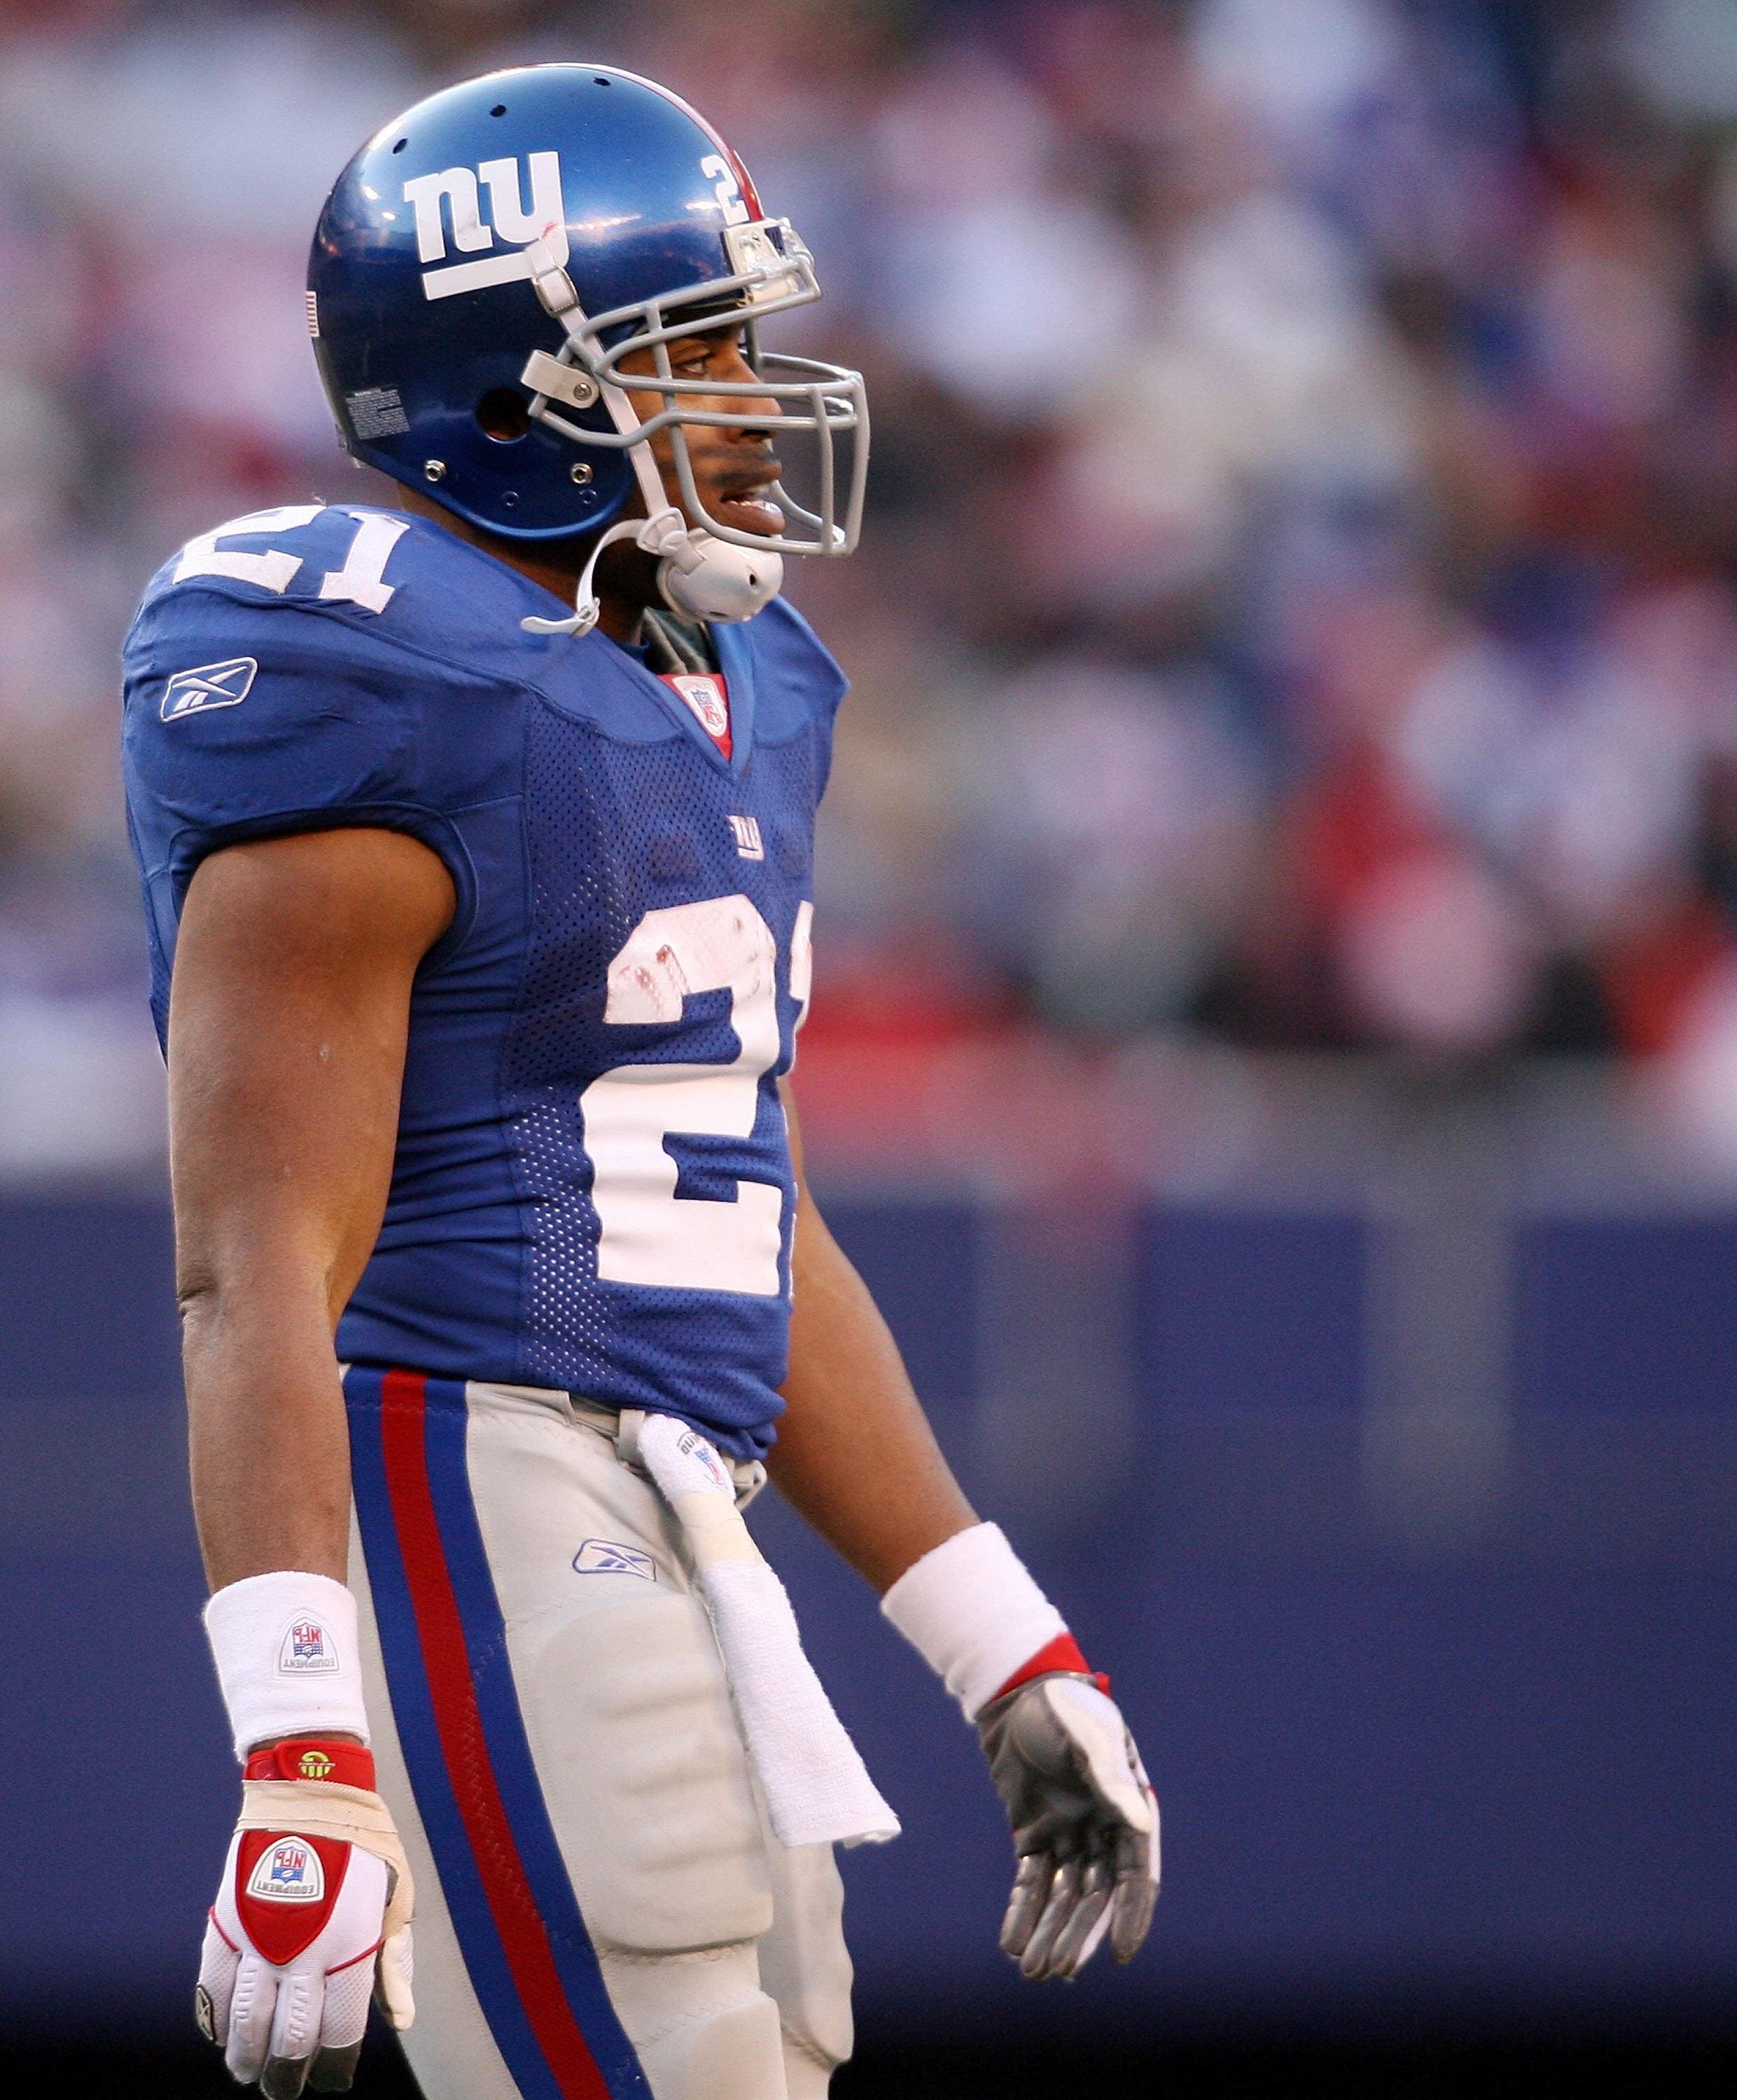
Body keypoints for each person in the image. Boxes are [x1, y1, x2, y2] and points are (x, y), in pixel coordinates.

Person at [120, 64, 1158, 2100]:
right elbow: (252, 1258)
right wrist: (303, 1743)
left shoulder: (731, 676)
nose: (751, 397)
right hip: (468, 1471)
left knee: (767, 2039)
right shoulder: (364, 665)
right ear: (508, 389)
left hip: (683, 1501)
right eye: (688, 348)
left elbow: (736, 1209)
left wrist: (994, 1639)